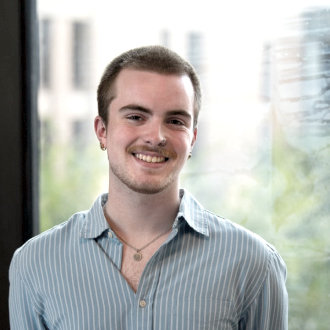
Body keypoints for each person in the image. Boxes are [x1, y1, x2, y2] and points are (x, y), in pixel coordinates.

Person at [9, 45, 288, 329]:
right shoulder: (35, 263)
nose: (156, 137)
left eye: (175, 121)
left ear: (192, 138)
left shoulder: (254, 263)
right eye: (136, 117)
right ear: (102, 130)